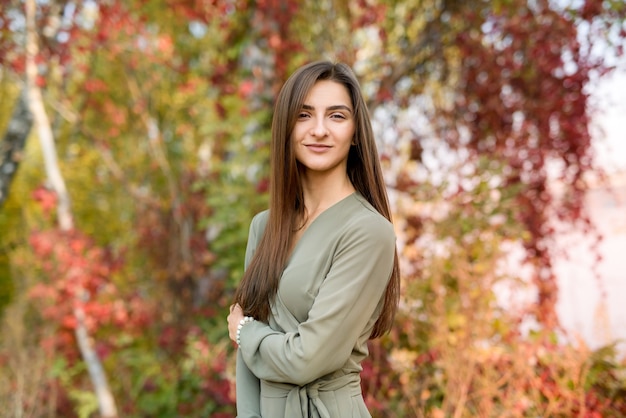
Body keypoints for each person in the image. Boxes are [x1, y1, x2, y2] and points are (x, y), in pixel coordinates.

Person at [227, 60, 400, 418]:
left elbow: (307, 358)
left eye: (336, 116)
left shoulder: (368, 231)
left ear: (355, 133)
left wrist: (245, 332)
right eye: (304, 115)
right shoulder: (264, 227)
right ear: (286, 128)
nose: (319, 130)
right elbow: (247, 364)